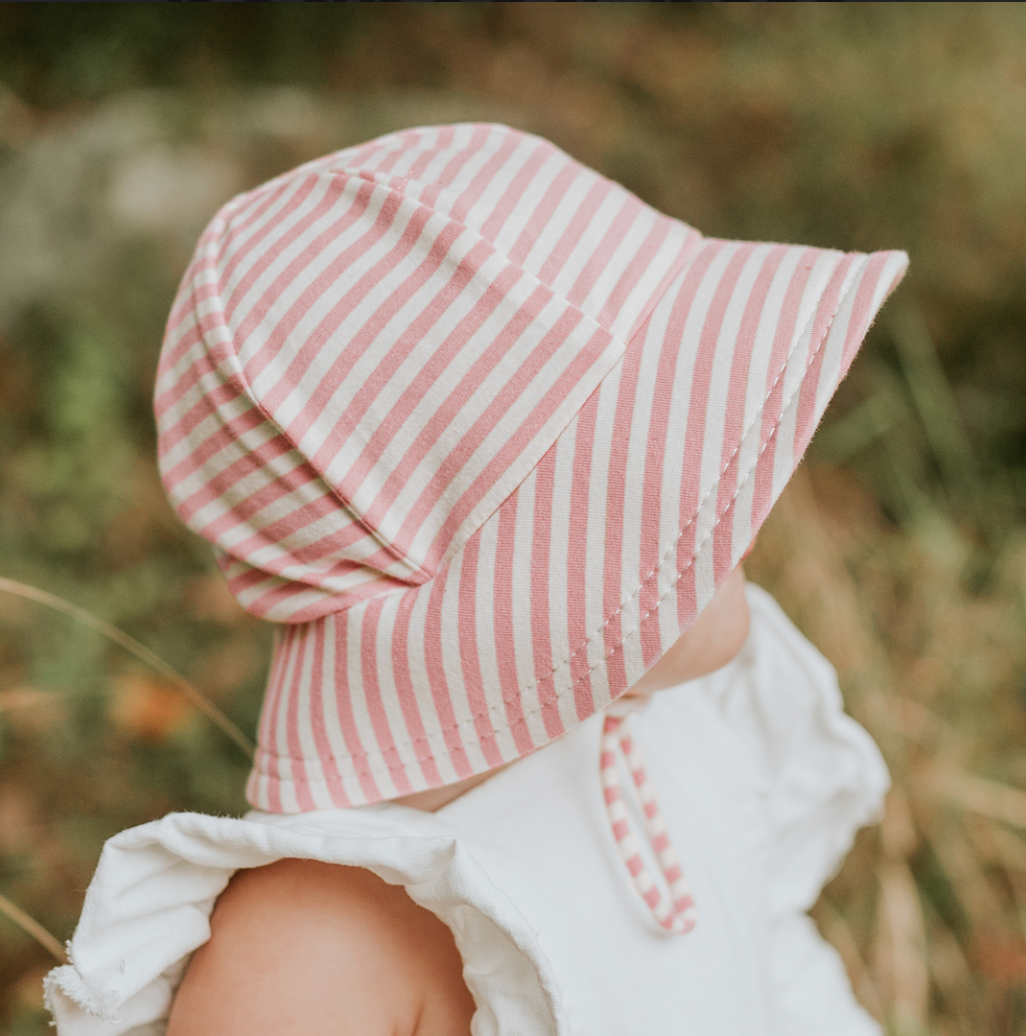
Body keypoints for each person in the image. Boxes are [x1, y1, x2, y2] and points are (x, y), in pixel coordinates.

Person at [44, 123, 908, 1036]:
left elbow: (769, 984)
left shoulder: (660, 738)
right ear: (513, 582)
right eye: (671, 475)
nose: (748, 492)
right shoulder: (317, 948)